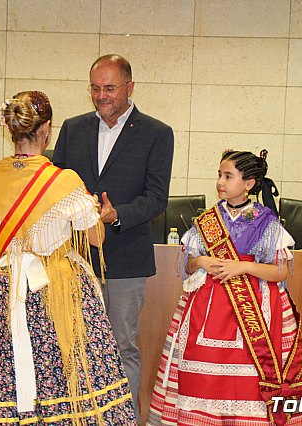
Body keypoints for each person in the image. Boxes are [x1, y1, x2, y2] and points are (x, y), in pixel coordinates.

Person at [0, 91, 136, 425]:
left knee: (3, 369)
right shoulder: (64, 180)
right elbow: (95, 238)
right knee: (67, 371)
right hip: (56, 289)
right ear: (47, 129)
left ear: (11, 129)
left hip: (4, 289)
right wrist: (97, 212)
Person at [147, 150, 302, 426]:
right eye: (219, 174)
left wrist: (243, 267)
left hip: (255, 311)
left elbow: (280, 271)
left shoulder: (266, 221)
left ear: (249, 183)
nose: (220, 181)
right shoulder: (207, 220)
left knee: (249, 380)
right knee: (201, 376)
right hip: (206, 309)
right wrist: (203, 260)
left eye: (228, 176)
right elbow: (190, 265)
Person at [53, 54, 174, 417]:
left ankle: (124, 419)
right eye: (95, 88)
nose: (101, 96)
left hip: (126, 259)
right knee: (71, 345)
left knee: (122, 346)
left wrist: (116, 214)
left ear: (129, 87)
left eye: (109, 88)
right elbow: (56, 186)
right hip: (72, 259)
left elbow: (156, 198)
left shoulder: (157, 133)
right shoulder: (73, 128)